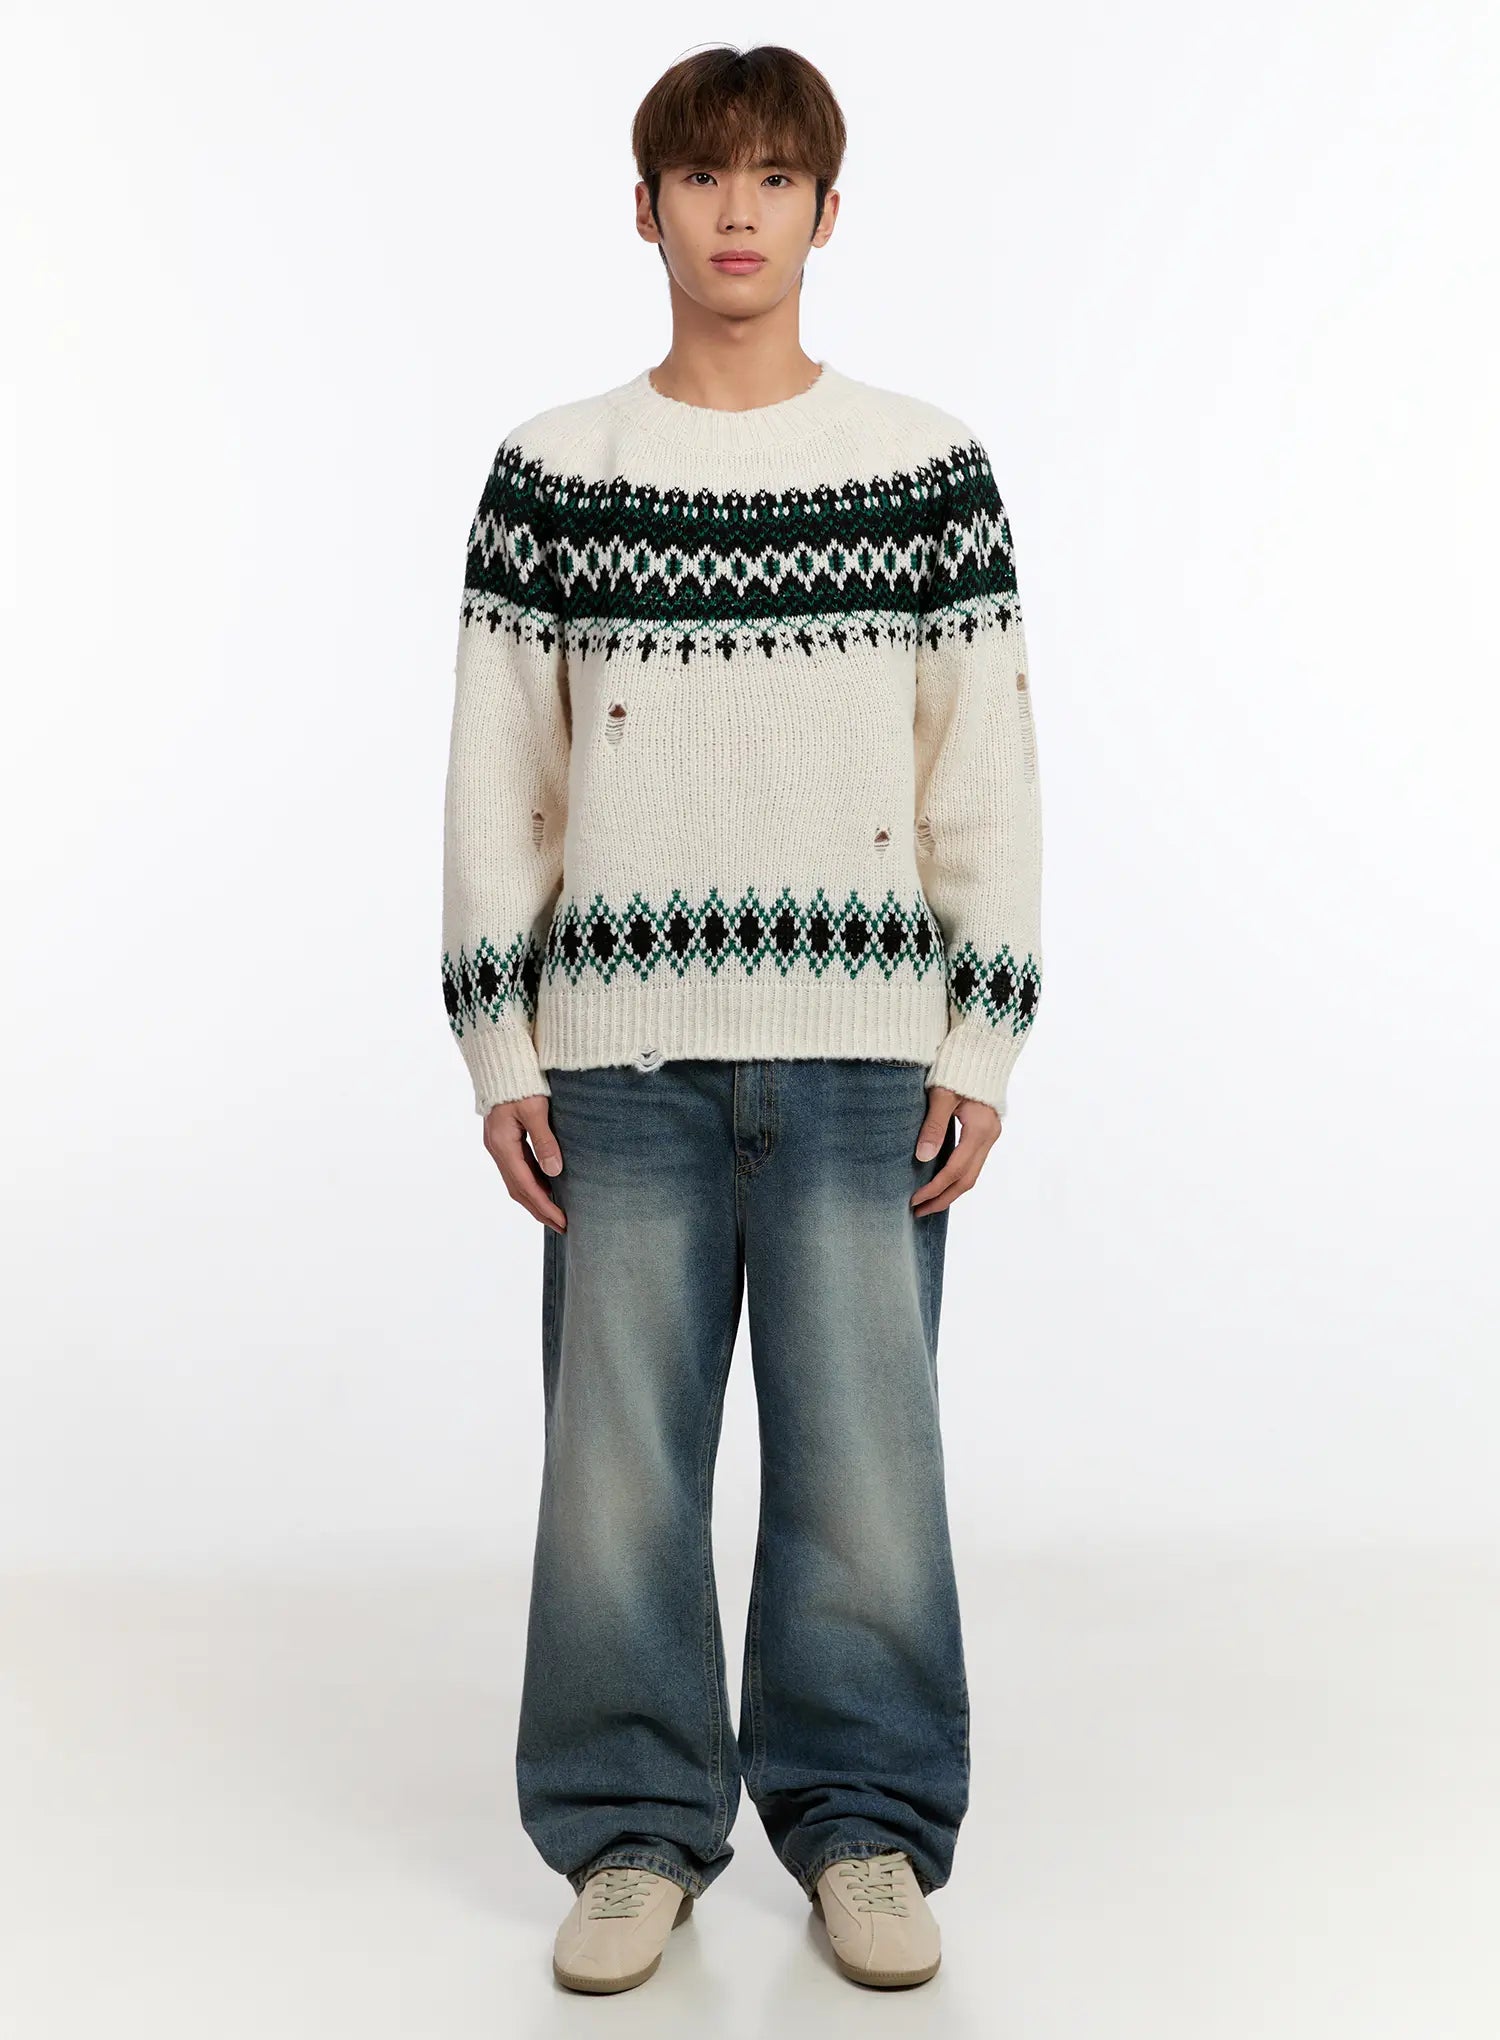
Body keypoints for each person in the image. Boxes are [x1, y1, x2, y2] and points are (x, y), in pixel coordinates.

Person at [440, 42, 1043, 1995]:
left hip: (866, 1048)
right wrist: (499, 1044)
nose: (736, 211)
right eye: (703, 177)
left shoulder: (924, 469)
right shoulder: (558, 473)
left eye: (775, 178)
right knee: (616, 1468)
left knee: (866, 1470)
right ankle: (631, 1830)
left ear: (826, 212)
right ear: (645, 207)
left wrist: (982, 1039)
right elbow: (501, 779)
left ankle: (863, 1828)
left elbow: (981, 772)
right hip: (616, 1054)